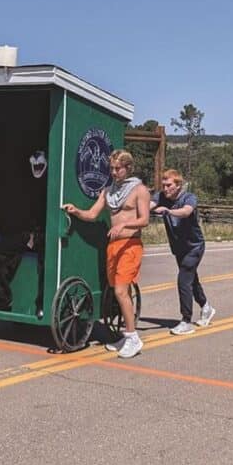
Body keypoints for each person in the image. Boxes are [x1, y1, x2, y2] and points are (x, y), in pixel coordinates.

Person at [63, 150, 150, 359]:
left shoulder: (140, 190)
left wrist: (124, 225)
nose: (113, 172)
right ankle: (126, 336)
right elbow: (92, 214)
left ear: (128, 168)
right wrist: (76, 211)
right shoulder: (108, 191)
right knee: (118, 291)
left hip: (131, 244)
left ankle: (133, 337)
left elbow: (144, 220)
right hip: (113, 246)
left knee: (121, 291)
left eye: (117, 168)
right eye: (110, 168)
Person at [150, 168, 216, 335]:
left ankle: (186, 320)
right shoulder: (161, 197)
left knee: (183, 280)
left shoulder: (189, 197)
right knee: (191, 279)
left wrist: (168, 211)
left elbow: (186, 211)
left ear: (178, 185)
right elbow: (148, 205)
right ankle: (206, 307)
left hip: (194, 246)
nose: (165, 188)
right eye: (163, 185)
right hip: (178, 247)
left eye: (169, 185)